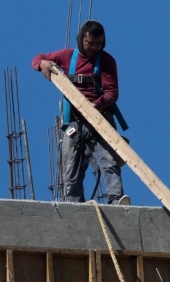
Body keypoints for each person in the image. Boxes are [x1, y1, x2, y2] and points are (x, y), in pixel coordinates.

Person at [32, 20, 130, 205]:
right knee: (71, 168)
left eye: (98, 44)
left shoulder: (106, 61)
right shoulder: (68, 56)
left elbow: (112, 93)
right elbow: (37, 58)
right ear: (81, 40)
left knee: (109, 161)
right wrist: (43, 63)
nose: (94, 47)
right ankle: (74, 205)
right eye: (90, 43)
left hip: (100, 119)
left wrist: (96, 105)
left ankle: (116, 200)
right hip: (75, 122)